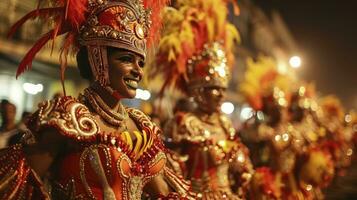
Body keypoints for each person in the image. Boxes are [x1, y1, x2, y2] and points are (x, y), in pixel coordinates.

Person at [0, 0, 195, 199]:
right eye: (126, 59)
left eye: (141, 62)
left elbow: (163, 192)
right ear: (97, 58)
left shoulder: (141, 125)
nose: (138, 71)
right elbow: (18, 186)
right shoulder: (69, 118)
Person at [152, 0, 254, 199]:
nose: (220, 94)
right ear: (198, 91)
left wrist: (243, 168)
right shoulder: (183, 124)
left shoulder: (224, 123)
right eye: (213, 89)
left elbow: (241, 163)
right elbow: (169, 172)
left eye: (222, 89)